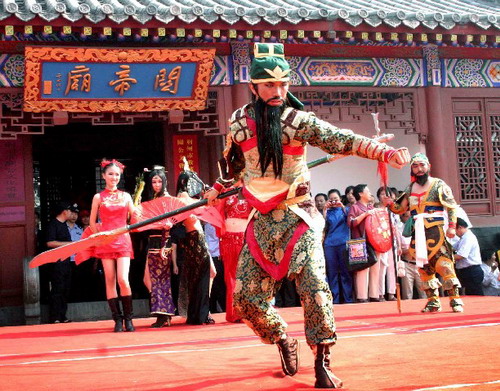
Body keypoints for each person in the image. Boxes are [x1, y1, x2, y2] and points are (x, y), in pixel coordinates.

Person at [205, 43, 410, 389]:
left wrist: (384, 152)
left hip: (300, 217)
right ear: (254, 86)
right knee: (245, 301)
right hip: (262, 221)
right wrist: (218, 187)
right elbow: (234, 168)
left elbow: (340, 139)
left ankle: (322, 361)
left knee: (315, 290)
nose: (278, 91)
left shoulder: (298, 121)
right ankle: (282, 338)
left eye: (283, 84)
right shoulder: (239, 122)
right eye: (269, 85)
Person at [384, 153, 464, 313]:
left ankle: (455, 300)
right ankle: (433, 301)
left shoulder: (438, 184)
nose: (419, 169)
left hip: (436, 231)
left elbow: (451, 206)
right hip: (418, 233)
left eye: (422, 165)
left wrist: (452, 226)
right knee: (424, 268)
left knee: (444, 265)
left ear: (428, 166)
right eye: (415, 166)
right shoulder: (410, 188)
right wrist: (390, 204)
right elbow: (400, 209)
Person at [89, 159, 135, 332]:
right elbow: (93, 222)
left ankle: (129, 319)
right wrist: (99, 236)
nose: (114, 177)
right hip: (105, 241)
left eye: (116, 174)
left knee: (123, 278)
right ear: (103, 176)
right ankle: (117, 320)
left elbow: (135, 218)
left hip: (123, 240)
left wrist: (137, 213)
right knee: (110, 280)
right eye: (110, 174)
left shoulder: (126, 196)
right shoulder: (98, 197)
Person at [140, 166, 179, 328]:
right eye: (153, 181)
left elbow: (170, 226)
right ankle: (164, 314)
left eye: (159, 181)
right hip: (153, 242)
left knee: (160, 280)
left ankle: (163, 315)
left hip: (163, 242)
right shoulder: (151, 200)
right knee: (152, 280)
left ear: (164, 182)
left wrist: (166, 245)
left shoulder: (168, 200)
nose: (156, 184)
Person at [176, 171, 216, 325]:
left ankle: (202, 312)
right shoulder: (182, 197)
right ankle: (202, 313)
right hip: (194, 239)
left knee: (205, 274)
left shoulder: (187, 197)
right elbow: (190, 211)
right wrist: (205, 200)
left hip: (198, 238)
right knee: (204, 275)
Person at [215, 183, 252, 322]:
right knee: (231, 275)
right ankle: (234, 312)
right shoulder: (225, 190)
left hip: (247, 237)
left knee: (248, 275)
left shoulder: (251, 188)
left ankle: (248, 311)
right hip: (229, 238)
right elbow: (217, 213)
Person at [347, 184, 380, 303]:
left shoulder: (371, 207)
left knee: (376, 269)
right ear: (360, 194)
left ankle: (374, 294)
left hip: (374, 241)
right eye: (368, 191)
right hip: (360, 242)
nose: (370, 193)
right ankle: (362, 296)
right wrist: (364, 215)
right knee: (362, 270)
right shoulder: (355, 207)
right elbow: (351, 223)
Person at [323, 189, 353, 304]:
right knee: (332, 273)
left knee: (346, 273)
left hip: (343, 243)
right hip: (330, 245)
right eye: (331, 200)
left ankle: (348, 299)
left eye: (336, 199)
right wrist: (325, 211)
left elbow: (350, 221)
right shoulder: (327, 212)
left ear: (340, 198)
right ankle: (334, 300)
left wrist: (342, 207)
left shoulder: (346, 210)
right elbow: (323, 226)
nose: (334, 201)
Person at [46, 201, 74, 323]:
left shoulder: (64, 225)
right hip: (56, 263)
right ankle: (55, 317)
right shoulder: (53, 224)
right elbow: (50, 242)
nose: (71, 213)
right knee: (57, 289)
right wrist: (69, 244)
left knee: (66, 289)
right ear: (64, 212)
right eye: (69, 211)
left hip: (66, 262)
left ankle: (63, 316)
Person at [452, 218, 484, 296]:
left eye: (455, 230)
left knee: (475, 296)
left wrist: (448, 258)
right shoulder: (463, 238)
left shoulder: (468, 238)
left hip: (472, 271)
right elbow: (453, 247)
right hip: (467, 272)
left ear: (460, 227)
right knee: (470, 295)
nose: (455, 233)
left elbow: (461, 256)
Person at [399, 211, 426, 300]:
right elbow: (397, 250)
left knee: (424, 293)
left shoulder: (422, 229)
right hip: (407, 264)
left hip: (420, 265)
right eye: (407, 216)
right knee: (407, 294)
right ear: (402, 218)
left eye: (412, 217)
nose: (410, 219)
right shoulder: (399, 230)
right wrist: (409, 250)